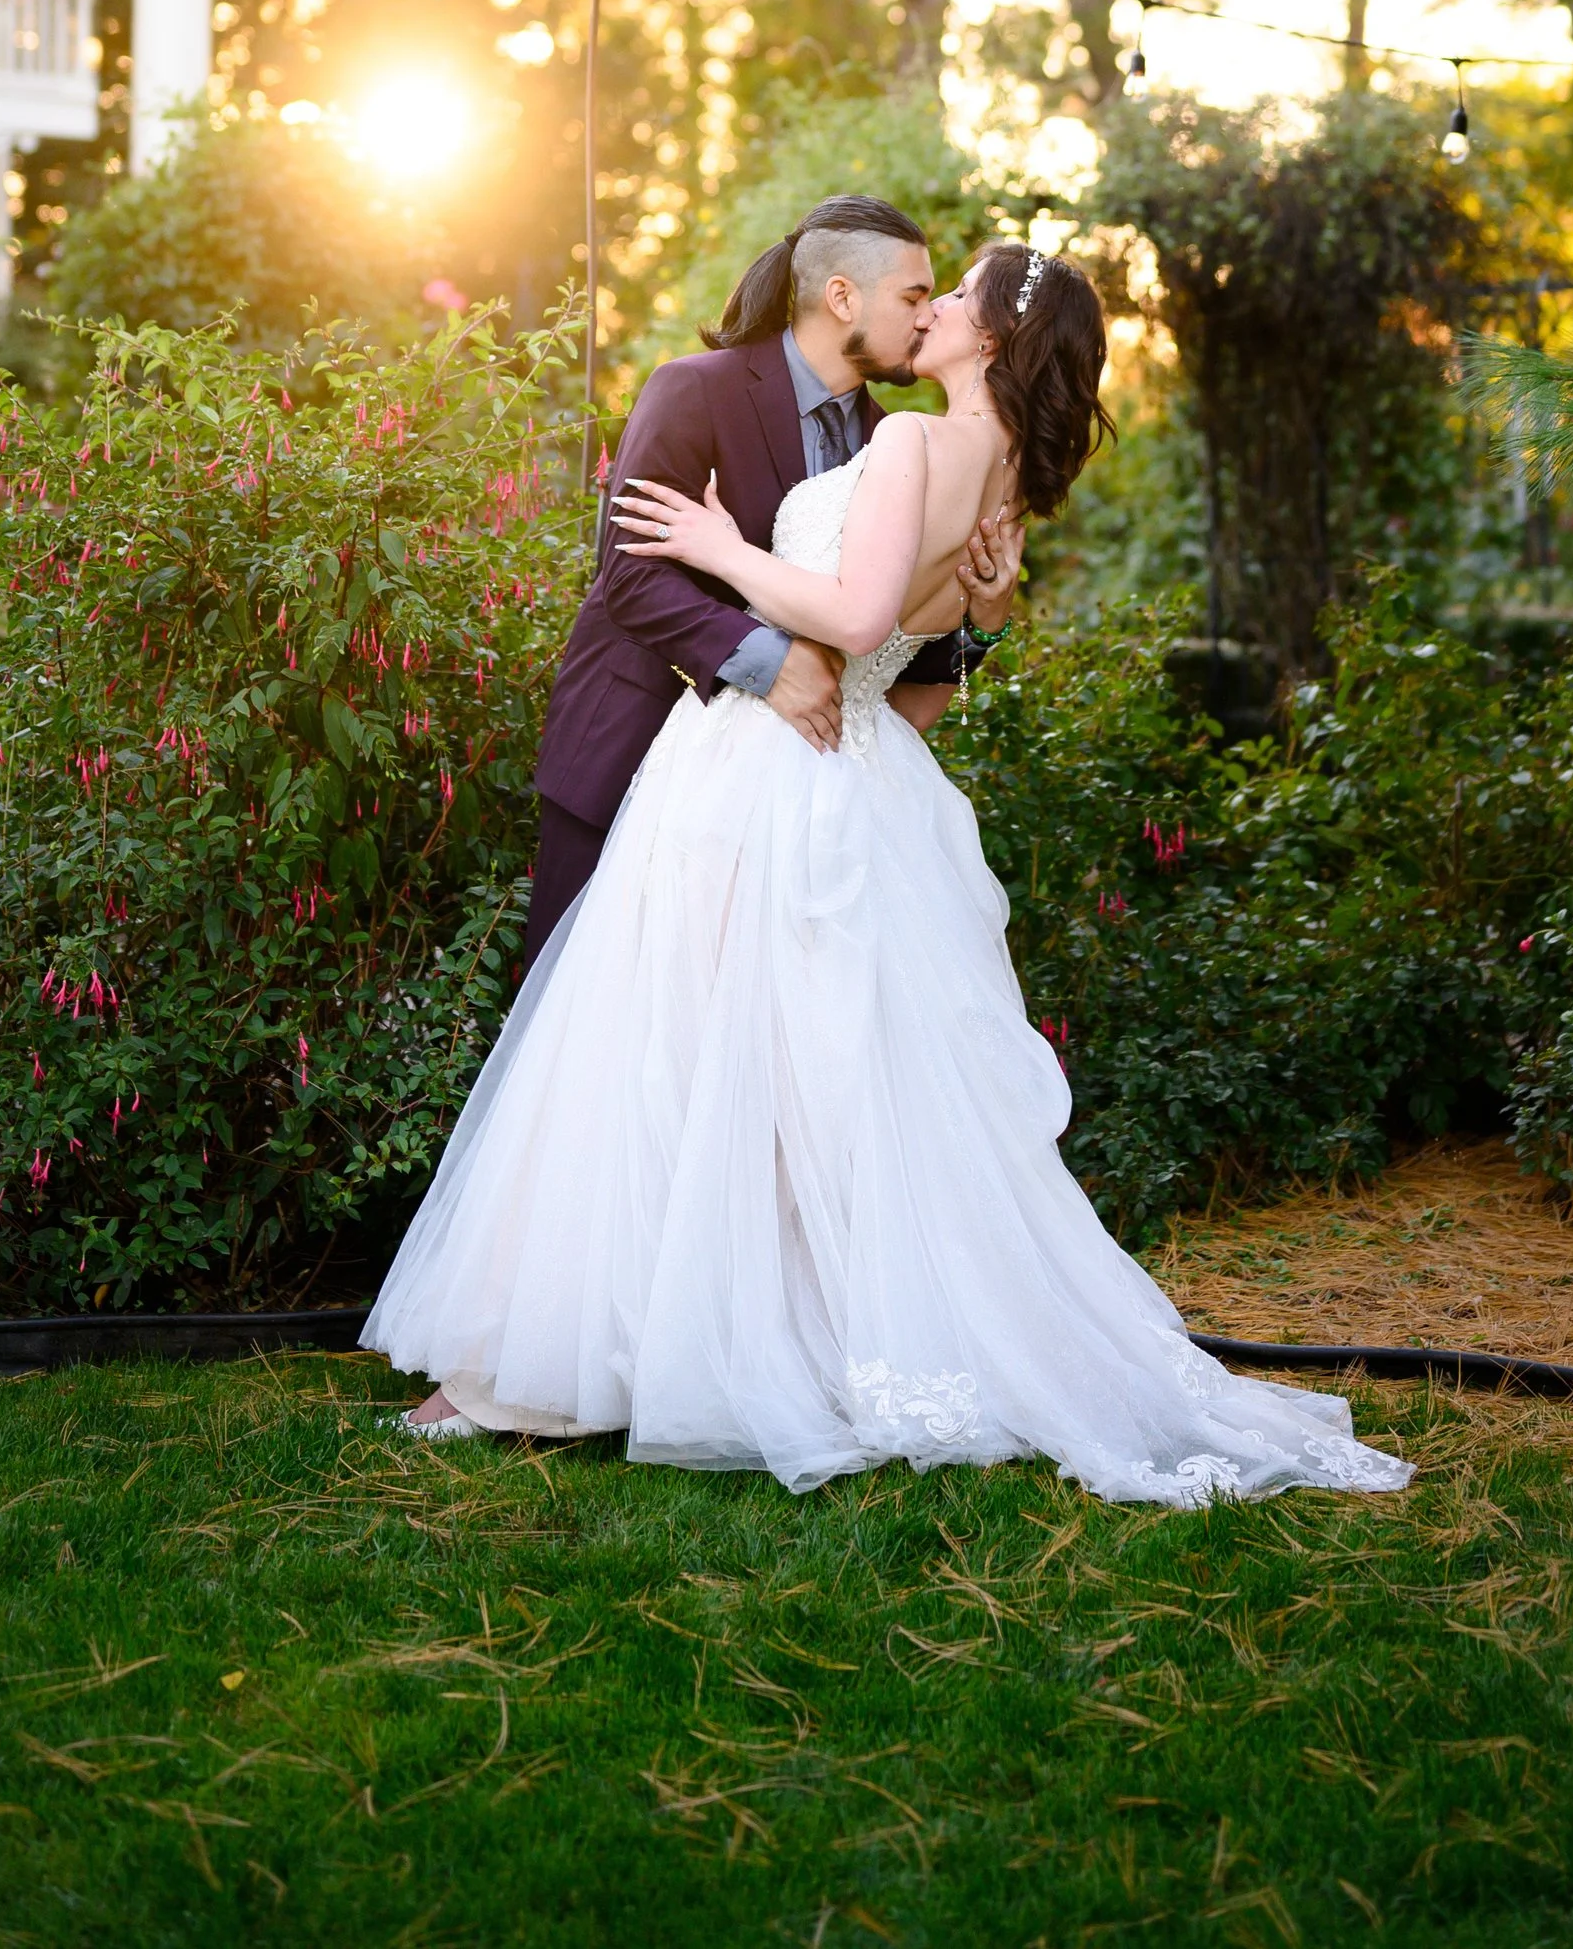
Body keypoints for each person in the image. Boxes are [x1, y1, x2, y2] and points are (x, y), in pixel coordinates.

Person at [367, 242, 1411, 1508]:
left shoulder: (915, 443)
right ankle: (704, 1334)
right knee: (772, 1081)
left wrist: (717, 544)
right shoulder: (1004, 494)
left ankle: (601, 1359)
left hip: (761, 771)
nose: (940, 307)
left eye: (957, 294)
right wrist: (956, 619)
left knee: (674, 1061)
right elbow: (909, 697)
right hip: (849, 772)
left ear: (994, 335)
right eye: (930, 286)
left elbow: (852, 629)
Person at [517, 193, 1018, 978]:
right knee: (579, 1035)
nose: (927, 319)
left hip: (778, 813)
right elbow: (630, 574)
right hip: (627, 752)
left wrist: (981, 629)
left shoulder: (896, 442)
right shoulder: (695, 389)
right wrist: (769, 659)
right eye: (914, 297)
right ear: (841, 295)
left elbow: (889, 653)